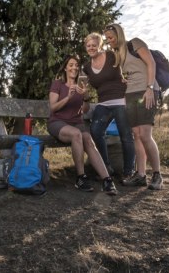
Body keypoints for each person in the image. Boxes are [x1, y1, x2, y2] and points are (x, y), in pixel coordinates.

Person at [103, 23, 163, 190]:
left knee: (145, 134)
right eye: (107, 38)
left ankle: (157, 175)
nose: (109, 41)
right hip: (130, 94)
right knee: (136, 134)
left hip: (147, 91)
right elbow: (129, 73)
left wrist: (150, 88)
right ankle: (141, 175)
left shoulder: (135, 43)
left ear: (119, 34)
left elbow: (151, 63)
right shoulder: (118, 54)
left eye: (111, 37)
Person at [47, 54, 117, 195]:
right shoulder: (58, 84)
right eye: (71, 65)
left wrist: (84, 96)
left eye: (76, 65)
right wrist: (68, 97)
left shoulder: (81, 86)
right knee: (77, 134)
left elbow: (84, 110)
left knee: (88, 140)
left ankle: (107, 180)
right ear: (65, 68)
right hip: (58, 123)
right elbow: (53, 108)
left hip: (76, 122)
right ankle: (80, 177)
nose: (74, 67)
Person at [83, 33, 135, 179]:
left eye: (94, 45)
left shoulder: (112, 56)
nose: (91, 48)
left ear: (99, 45)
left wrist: (128, 80)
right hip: (103, 104)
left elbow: (128, 65)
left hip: (120, 101)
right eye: (88, 46)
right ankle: (106, 167)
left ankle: (128, 172)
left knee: (126, 136)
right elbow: (84, 84)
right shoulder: (87, 67)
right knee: (95, 131)